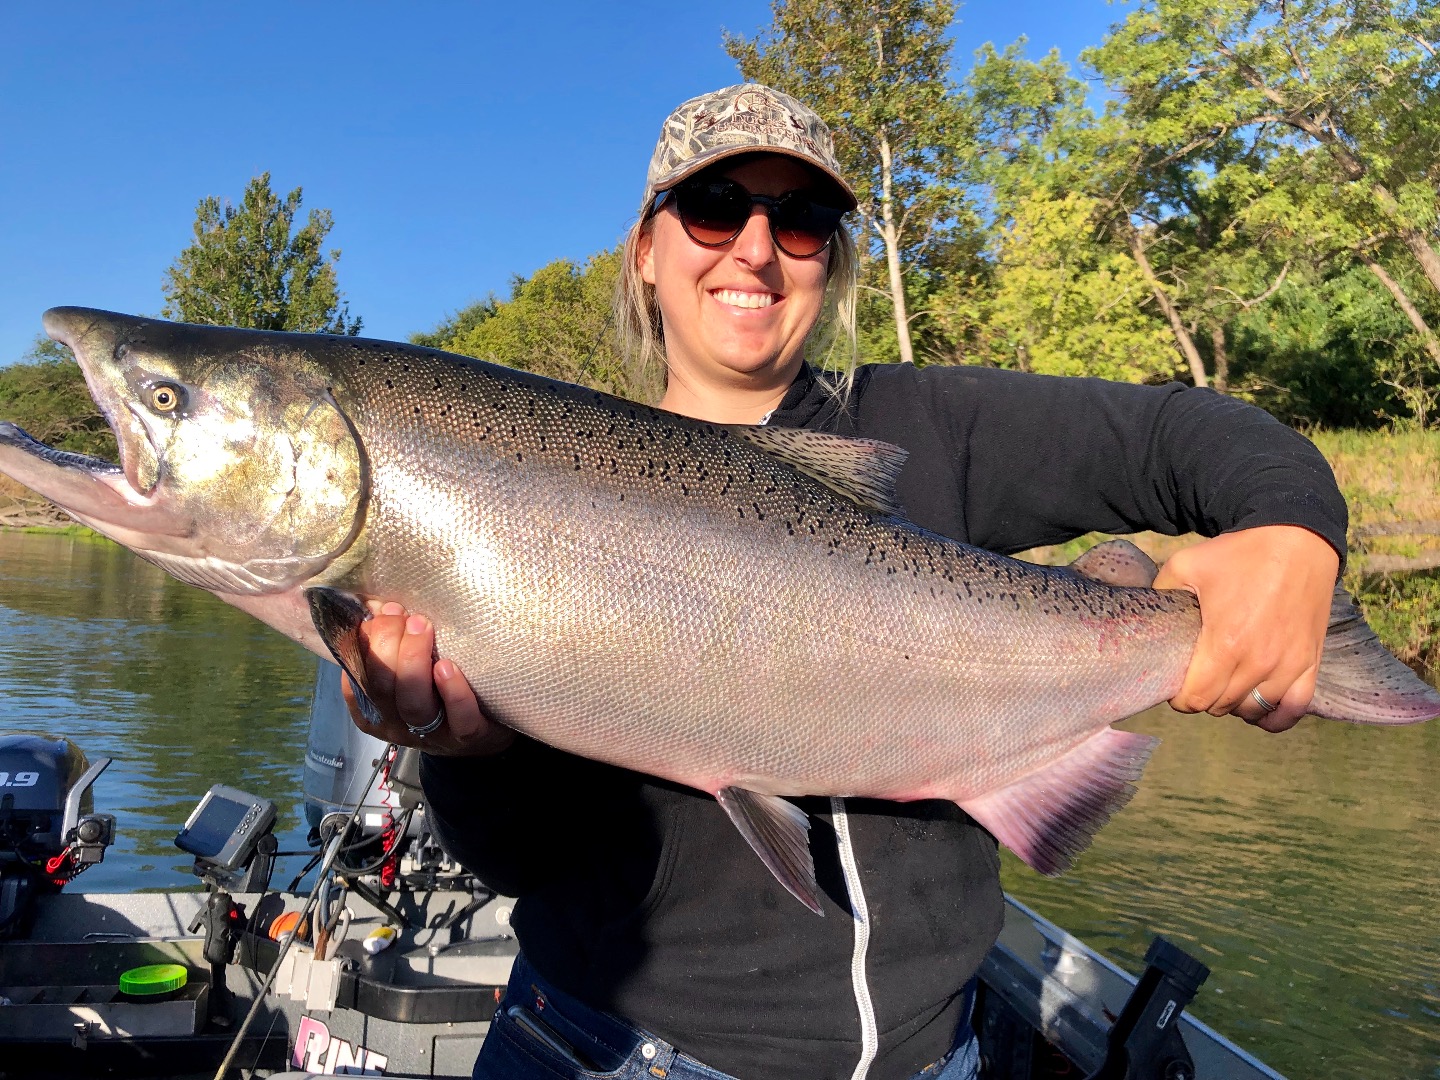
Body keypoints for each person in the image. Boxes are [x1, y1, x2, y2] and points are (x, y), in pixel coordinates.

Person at [344, 84, 1344, 1080]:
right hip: (596, 1051)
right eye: (715, 207)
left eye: (804, 218)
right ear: (645, 251)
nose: (755, 247)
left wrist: (1293, 535)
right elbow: (520, 866)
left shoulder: (930, 423)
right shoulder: (529, 482)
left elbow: (1189, 433)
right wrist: (462, 751)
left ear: (832, 261)